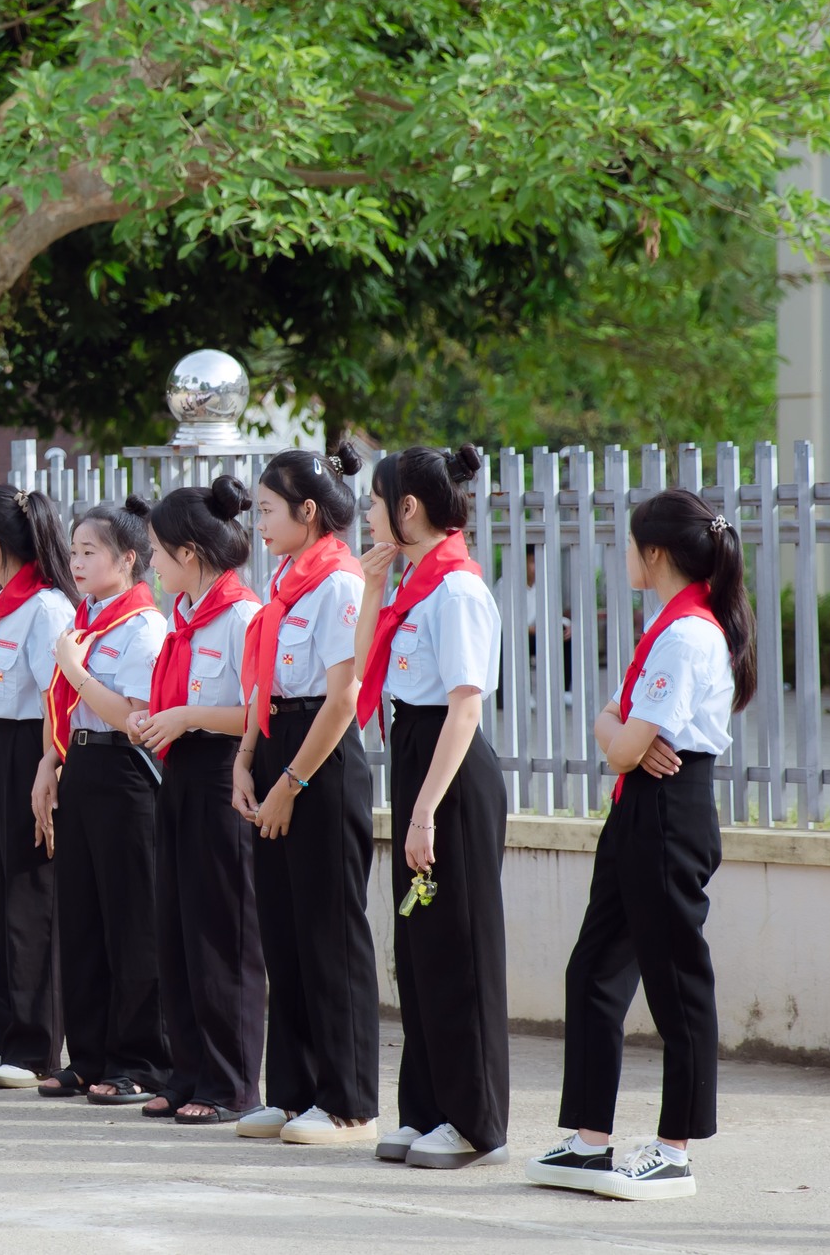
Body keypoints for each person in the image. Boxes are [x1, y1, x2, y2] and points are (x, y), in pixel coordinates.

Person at [528, 489, 754, 1202]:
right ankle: (589, 1140)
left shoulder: (688, 633)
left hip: (668, 812)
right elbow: (628, 743)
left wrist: (609, 722)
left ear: (655, 553)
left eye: (630, 544)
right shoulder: (671, 622)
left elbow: (626, 744)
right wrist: (620, 731)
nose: (624, 555)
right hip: (638, 813)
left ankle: (675, 1149)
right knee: (595, 968)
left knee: (676, 982)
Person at [354, 446, 509, 1169]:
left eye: (377, 501)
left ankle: (475, 1120)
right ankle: (427, 1107)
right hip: (417, 756)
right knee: (418, 950)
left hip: (449, 774)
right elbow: (366, 672)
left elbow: (466, 706)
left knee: (459, 948)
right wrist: (369, 586)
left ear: (407, 508)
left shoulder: (456, 590)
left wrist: (423, 813)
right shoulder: (414, 581)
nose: (369, 514)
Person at [232, 443, 379, 1146]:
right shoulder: (288, 580)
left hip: (321, 760)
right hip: (278, 747)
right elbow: (266, 681)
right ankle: (290, 1091)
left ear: (308, 511)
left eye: (267, 510)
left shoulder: (340, 585)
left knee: (329, 934)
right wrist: (247, 760)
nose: (258, 522)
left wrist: (291, 781)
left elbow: (343, 694)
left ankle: (348, 1100)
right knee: (284, 933)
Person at [128, 476, 265, 1125]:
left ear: (188, 552)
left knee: (221, 932)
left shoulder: (240, 615)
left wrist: (184, 716)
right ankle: (187, 1074)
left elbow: (256, 712)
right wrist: (159, 721)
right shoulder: (186, 617)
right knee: (176, 927)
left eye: (155, 550)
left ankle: (231, 1082)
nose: (151, 562)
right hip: (179, 772)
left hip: (221, 776)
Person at [36, 496, 170, 1106]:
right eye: (74, 550)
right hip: (81, 765)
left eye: (90, 551)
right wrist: (49, 765)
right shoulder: (84, 623)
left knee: (130, 922)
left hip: (125, 770)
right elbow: (61, 706)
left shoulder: (143, 627)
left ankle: (138, 1059)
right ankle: (87, 1056)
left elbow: (138, 718)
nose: (77, 561)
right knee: (82, 919)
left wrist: (79, 669)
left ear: (129, 558)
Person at [0, 483, 77, 1090]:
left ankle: (34, 1046)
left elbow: (58, 699)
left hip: (33, 748)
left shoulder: (45, 606)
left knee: (32, 897)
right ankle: (2, 1036)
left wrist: (47, 770)